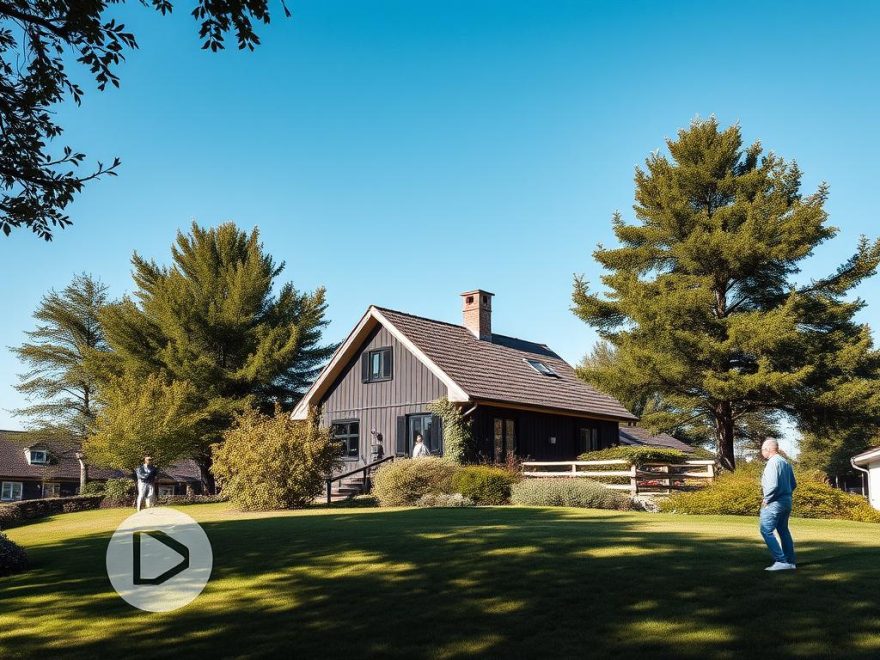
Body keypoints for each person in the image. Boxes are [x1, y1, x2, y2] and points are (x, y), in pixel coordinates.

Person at [759, 438, 797, 571]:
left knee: (766, 530)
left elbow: (773, 484)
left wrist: (767, 498)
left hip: (774, 502)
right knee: (783, 530)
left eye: (763, 450)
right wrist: (785, 494)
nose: (762, 452)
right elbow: (793, 484)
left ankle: (781, 561)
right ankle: (790, 562)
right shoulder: (785, 462)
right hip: (787, 501)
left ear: (768, 449)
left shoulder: (772, 463)